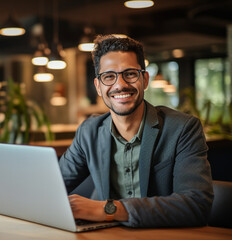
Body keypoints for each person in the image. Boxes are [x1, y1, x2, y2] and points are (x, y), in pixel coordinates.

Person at [59, 34, 213, 228]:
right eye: (109, 76)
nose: (120, 84)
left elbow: (196, 205)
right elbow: (51, 186)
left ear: (145, 79)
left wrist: (108, 210)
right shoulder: (89, 132)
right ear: (98, 86)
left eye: (130, 73)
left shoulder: (183, 128)